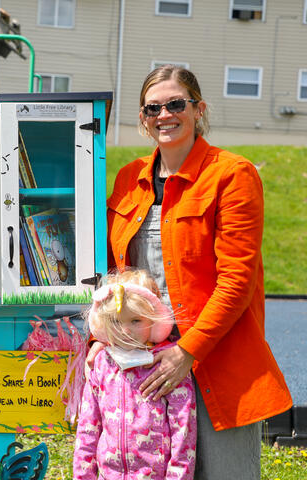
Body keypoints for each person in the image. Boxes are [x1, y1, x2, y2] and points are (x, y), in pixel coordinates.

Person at [95, 65, 292, 479]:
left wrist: (187, 352)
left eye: (176, 104)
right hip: (139, 360)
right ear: (143, 118)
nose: (164, 114)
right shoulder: (130, 178)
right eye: (153, 108)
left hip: (212, 361)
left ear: (198, 109)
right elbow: (115, 272)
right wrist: (102, 338)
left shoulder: (231, 175)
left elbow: (237, 281)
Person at [74, 269, 196, 480]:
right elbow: (87, 427)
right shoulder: (102, 364)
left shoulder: (167, 366)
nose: (125, 331)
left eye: (135, 321)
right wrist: (83, 475)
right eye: (116, 321)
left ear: (155, 321)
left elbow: (183, 431)